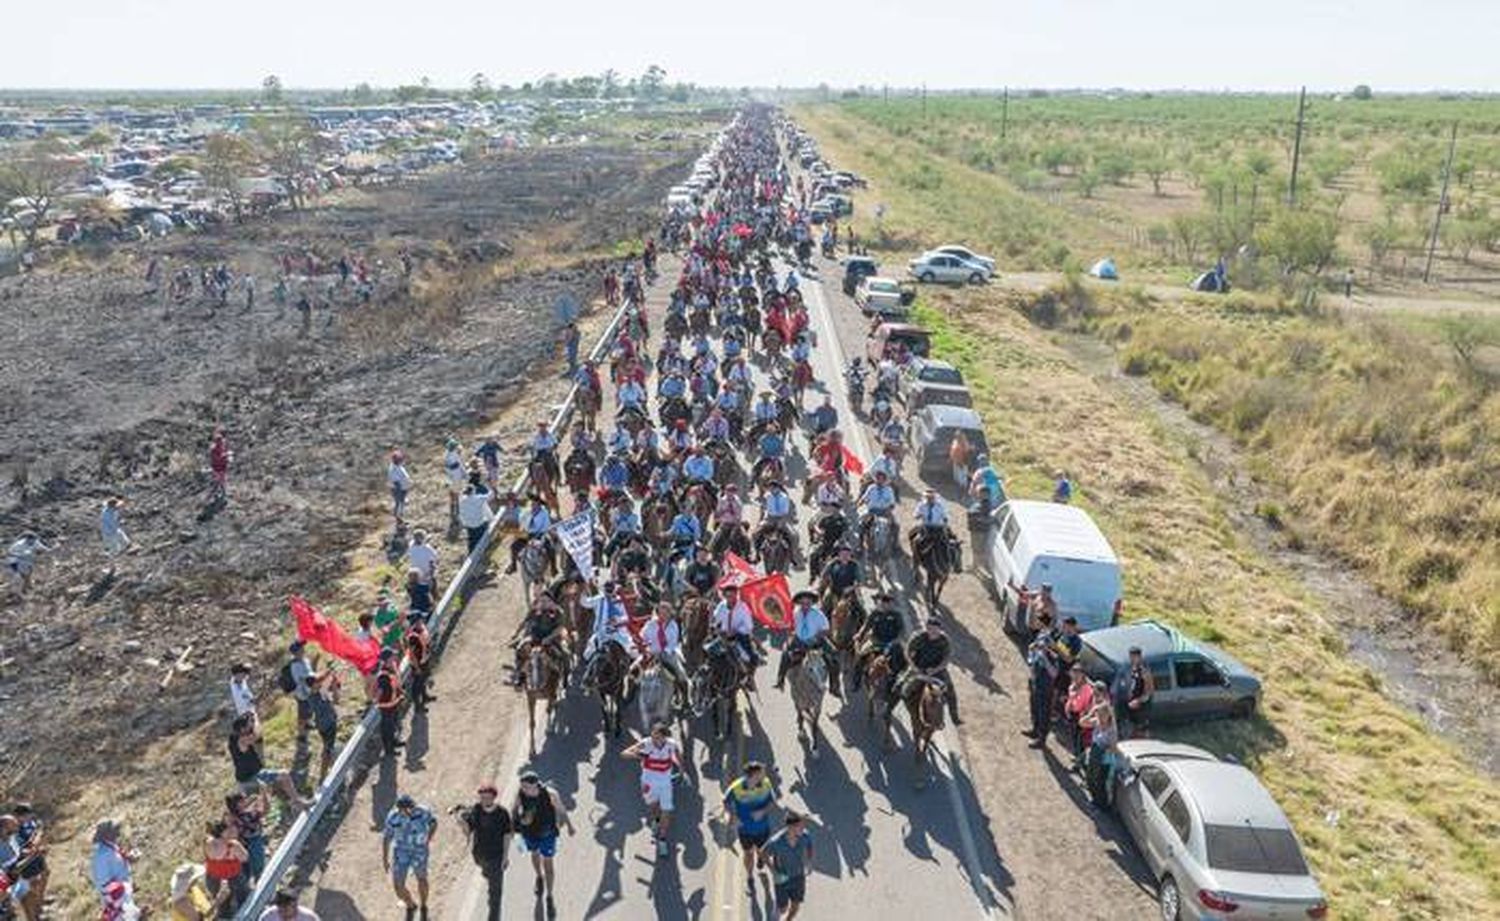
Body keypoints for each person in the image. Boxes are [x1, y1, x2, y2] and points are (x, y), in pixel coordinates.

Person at [513, 770, 574, 918]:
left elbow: (561, 809)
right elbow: (514, 811)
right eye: (522, 787)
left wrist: (570, 825)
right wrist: (518, 824)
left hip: (548, 835)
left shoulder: (550, 793)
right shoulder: (520, 794)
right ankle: (539, 877)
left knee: (549, 865)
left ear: (536, 785)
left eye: (527, 787)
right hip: (530, 833)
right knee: (534, 855)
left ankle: (549, 896)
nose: (524, 790)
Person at [622, 723, 683, 856]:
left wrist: (682, 770)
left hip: (665, 783)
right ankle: (655, 821)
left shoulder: (671, 745)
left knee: (666, 810)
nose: (655, 740)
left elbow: (678, 755)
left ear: (665, 738)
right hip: (648, 782)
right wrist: (640, 756)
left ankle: (662, 839)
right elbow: (624, 754)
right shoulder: (646, 743)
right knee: (653, 807)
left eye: (658, 738)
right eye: (653, 736)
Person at [722, 761, 778, 894]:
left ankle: (761, 857)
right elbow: (725, 803)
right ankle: (750, 877)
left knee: (763, 851)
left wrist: (762, 811)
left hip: (763, 828)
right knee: (748, 853)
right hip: (745, 830)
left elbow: (772, 802)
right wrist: (732, 817)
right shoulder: (736, 788)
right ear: (752, 775)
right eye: (761, 773)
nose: (764, 775)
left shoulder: (766, 784)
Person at [775, 590, 841, 699]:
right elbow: (791, 626)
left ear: (811, 603)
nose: (805, 605)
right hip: (799, 640)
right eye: (803, 603)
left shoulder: (818, 614)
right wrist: (789, 631)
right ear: (800, 603)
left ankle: (834, 686)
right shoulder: (795, 613)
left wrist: (816, 637)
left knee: (834, 657)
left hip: (816, 641)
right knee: (785, 653)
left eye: (807, 603)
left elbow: (826, 629)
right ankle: (780, 679)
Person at [461, 783, 512, 921]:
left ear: (494, 797)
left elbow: (507, 835)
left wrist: (505, 856)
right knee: (486, 872)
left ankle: (493, 916)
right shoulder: (476, 810)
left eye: (488, 797)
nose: (484, 800)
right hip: (479, 854)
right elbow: (468, 831)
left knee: (495, 892)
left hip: (496, 855)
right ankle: (487, 873)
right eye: (482, 797)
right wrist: (462, 821)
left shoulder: (502, 813)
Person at [382, 794, 437, 921]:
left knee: (422, 879)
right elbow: (387, 837)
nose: (408, 811)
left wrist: (429, 838)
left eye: (410, 808)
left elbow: (433, 822)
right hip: (401, 852)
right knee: (398, 885)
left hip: (419, 851)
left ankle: (423, 905)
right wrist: (385, 859)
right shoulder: (393, 817)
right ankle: (411, 904)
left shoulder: (423, 811)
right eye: (404, 809)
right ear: (399, 809)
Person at [899, 616, 962, 725]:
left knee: (950, 691)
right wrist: (913, 666)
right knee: (902, 687)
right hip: (918, 667)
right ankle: (893, 706)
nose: (932, 631)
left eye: (935, 628)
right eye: (930, 628)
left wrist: (935, 669)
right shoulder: (918, 637)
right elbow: (907, 652)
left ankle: (955, 717)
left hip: (937, 670)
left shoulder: (945, 641)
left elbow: (946, 659)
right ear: (926, 627)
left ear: (939, 629)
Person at [764, 810, 815, 919]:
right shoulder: (776, 842)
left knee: (795, 906)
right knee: (783, 909)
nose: (803, 829)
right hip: (782, 878)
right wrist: (773, 871)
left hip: (798, 877)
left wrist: (809, 861)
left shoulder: (805, 836)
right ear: (791, 827)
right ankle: (778, 907)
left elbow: (809, 846)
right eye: (800, 826)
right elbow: (763, 854)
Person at [90, 819, 139, 914]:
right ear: (106, 835)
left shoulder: (111, 847)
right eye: (114, 830)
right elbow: (104, 882)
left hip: (124, 895)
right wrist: (119, 898)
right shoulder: (101, 857)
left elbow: (117, 862)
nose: (117, 831)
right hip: (117, 900)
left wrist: (129, 858)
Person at [203, 820, 249, 916]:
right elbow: (244, 857)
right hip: (228, 877)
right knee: (239, 900)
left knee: (228, 903)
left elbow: (245, 857)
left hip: (220, 876)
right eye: (228, 831)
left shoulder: (209, 843)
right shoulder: (231, 845)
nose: (231, 832)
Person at [373, 649, 406, 755]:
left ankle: (394, 742)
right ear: (387, 660)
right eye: (392, 657)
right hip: (387, 708)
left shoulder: (391, 669)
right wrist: (378, 702)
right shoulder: (383, 676)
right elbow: (378, 694)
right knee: (387, 729)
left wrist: (399, 694)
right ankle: (389, 750)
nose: (395, 658)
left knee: (393, 726)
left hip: (393, 705)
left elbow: (395, 684)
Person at [4, 532, 50, 598]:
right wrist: (22, 555)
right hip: (16, 561)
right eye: (32, 540)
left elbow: (43, 548)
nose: (34, 542)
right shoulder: (18, 545)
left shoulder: (35, 542)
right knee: (19, 577)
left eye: (34, 540)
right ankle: (15, 593)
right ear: (27, 539)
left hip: (28, 561)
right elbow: (10, 553)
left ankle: (26, 588)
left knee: (28, 573)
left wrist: (49, 550)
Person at [1123, 645, 1155, 738]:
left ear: (1139, 657)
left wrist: (1138, 701)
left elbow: (1149, 691)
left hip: (1142, 707)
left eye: (1134, 657)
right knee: (1133, 729)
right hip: (1132, 705)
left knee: (1142, 730)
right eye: (1130, 657)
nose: (1132, 659)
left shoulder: (1145, 671)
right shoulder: (1133, 669)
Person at [457, 483, 494, 554]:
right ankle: (484, 549)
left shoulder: (461, 500)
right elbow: (491, 496)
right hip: (479, 524)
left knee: (472, 539)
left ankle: (471, 552)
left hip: (469, 525)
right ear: (473, 491)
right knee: (483, 533)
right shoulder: (478, 498)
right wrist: (491, 486)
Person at [388, 450, 414, 526]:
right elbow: (396, 480)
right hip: (398, 489)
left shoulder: (398, 466)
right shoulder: (393, 469)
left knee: (401, 504)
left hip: (402, 488)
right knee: (399, 504)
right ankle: (398, 520)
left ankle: (400, 519)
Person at [209, 429, 231, 501]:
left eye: (222, 441)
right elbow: (217, 458)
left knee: (222, 480)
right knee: (219, 481)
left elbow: (223, 455)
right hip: (217, 468)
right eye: (220, 442)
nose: (222, 443)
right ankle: (219, 493)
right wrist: (226, 455)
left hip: (223, 467)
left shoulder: (222, 447)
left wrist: (227, 456)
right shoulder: (214, 450)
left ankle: (222, 493)